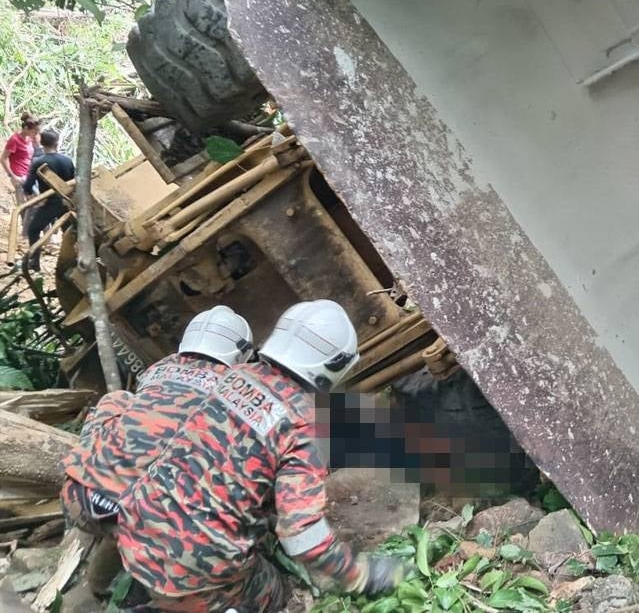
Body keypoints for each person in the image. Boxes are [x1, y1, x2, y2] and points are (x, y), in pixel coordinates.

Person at [115, 300, 409, 612]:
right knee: (275, 592)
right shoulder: (305, 425)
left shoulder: (233, 376)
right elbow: (302, 534)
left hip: (134, 528)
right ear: (335, 366)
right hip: (194, 565)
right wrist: (361, 575)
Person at [60, 306, 254, 594]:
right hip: (157, 526)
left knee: (118, 400)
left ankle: (99, 585)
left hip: (79, 500)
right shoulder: (237, 390)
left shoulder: (157, 370)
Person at [22, 129, 75, 270]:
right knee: (69, 232)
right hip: (66, 202)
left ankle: (34, 262)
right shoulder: (67, 160)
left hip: (49, 202)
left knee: (33, 230)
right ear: (57, 143)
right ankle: (72, 263)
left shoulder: (38, 162)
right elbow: (74, 182)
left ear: (42, 143)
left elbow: (27, 186)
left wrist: (38, 200)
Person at [1, 112, 40, 205]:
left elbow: (37, 149)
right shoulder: (14, 140)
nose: (35, 133)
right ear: (26, 128)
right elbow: (3, 158)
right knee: (23, 204)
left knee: (36, 200)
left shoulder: (29, 138)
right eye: (34, 131)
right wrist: (13, 176)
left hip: (29, 172)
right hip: (19, 175)